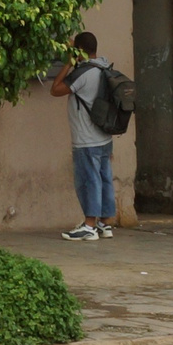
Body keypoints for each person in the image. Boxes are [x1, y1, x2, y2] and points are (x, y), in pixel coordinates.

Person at [49, 30, 115, 241]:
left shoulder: (82, 73)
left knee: (88, 181)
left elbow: (56, 89)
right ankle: (105, 224)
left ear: (79, 51)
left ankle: (89, 225)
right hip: (104, 137)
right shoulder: (104, 67)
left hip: (86, 139)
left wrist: (68, 63)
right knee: (104, 180)